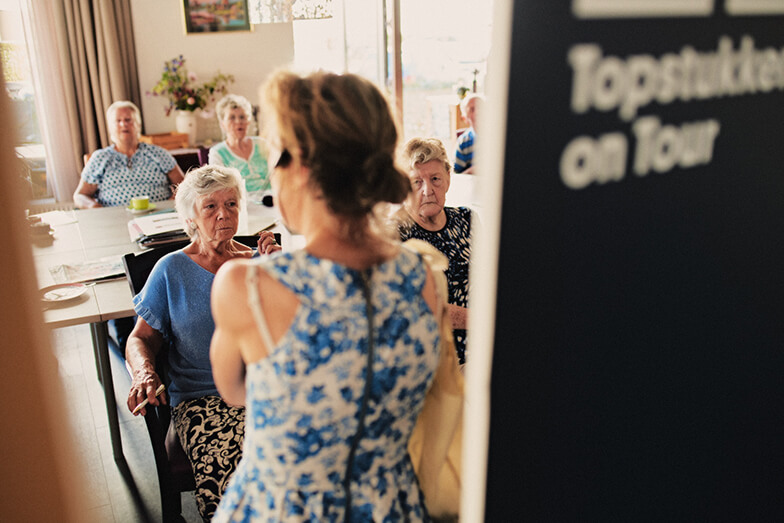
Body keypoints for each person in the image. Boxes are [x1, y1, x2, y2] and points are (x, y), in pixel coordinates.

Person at [209, 70, 447, 522]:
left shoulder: (249, 288)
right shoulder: (424, 277)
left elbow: (236, 391)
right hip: (389, 507)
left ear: (298, 165)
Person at [125, 164, 280, 521]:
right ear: (191, 216)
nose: (223, 214)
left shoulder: (260, 260)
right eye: (210, 206)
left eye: (231, 204)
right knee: (238, 480)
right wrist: (145, 373)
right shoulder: (170, 270)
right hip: (203, 400)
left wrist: (279, 278)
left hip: (266, 390)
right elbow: (140, 338)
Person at [399, 137, 472, 365]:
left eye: (435, 179)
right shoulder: (394, 234)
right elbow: (418, 304)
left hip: (482, 350)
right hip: (433, 363)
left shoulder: (466, 219)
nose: (428, 190)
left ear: (448, 179)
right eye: (416, 182)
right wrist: (481, 319)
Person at [73, 100, 184, 209]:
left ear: (138, 125)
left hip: (157, 216)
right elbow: (80, 195)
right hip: (114, 220)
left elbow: (184, 186)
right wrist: (93, 206)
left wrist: (169, 205)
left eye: (128, 120)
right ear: (110, 128)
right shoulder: (100, 158)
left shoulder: (158, 153)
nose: (123, 124)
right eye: (118, 121)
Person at [208, 94, 270, 198]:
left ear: (248, 121)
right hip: (242, 205)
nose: (238, 122)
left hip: (272, 200)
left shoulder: (262, 144)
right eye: (232, 117)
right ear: (222, 124)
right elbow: (220, 189)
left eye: (242, 117)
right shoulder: (217, 153)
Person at [453, 93, 484, 174]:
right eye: (472, 109)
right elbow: (457, 177)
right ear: (465, 118)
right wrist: (472, 171)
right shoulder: (463, 142)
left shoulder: (500, 135)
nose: (478, 112)